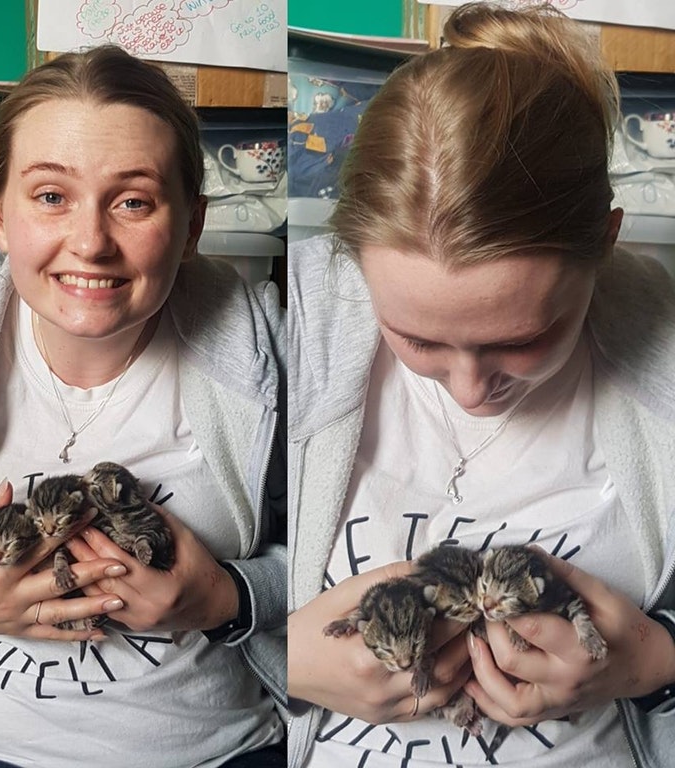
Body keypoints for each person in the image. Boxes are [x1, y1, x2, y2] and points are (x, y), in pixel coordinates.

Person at [288, 3, 675, 767]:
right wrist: (286, 657)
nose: (469, 390)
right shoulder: (291, 327)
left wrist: (654, 664)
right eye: (418, 339)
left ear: (605, 240)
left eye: (522, 340)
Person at [0, 45, 286, 768]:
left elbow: (350, 560)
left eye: (133, 201)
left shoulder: (264, 345)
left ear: (192, 226)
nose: (90, 243)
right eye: (51, 197)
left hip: (225, 751)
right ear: (1, 216)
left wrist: (230, 596)